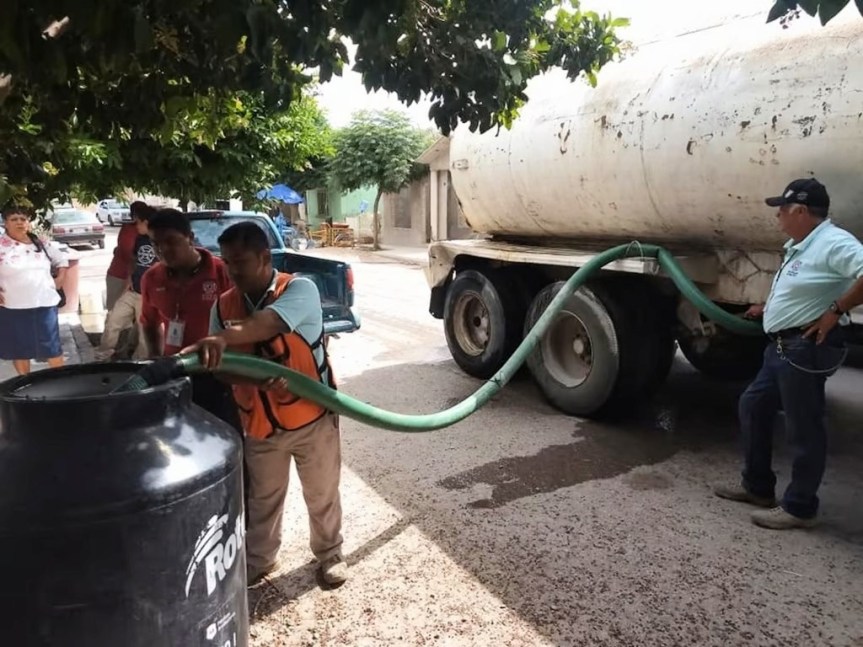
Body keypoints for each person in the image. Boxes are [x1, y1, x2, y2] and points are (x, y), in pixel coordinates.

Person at [181, 221, 347, 587]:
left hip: (311, 418)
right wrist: (253, 378)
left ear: (262, 257)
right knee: (263, 501)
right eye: (226, 262)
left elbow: (266, 325)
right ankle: (259, 560)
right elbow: (221, 371)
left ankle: (330, 554)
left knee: (321, 494)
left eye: (239, 261)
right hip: (259, 424)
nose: (232, 270)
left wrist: (220, 338)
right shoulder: (224, 306)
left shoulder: (300, 289)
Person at [714, 178, 863, 530]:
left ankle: (799, 506)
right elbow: (803, 288)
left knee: (803, 427)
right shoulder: (801, 244)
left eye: (782, 210)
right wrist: (769, 308)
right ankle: (758, 487)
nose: (777, 216)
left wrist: (835, 310)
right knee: (753, 405)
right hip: (781, 346)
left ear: (800, 210)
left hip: (804, 348)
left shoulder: (833, 242)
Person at [139, 208, 241, 431]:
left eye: (171, 241)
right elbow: (149, 322)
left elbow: (241, 321)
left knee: (224, 435)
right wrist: (155, 358)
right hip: (175, 372)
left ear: (190, 238)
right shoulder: (151, 278)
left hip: (217, 371)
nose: (163, 249)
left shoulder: (221, 272)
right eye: (156, 243)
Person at [0, 205, 69, 375]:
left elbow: (62, 261)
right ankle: (26, 386)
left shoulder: (41, 242)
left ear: (28, 222)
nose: (19, 222)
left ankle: (61, 384)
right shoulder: (2, 246)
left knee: (52, 348)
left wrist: (59, 281)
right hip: (12, 306)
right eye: (14, 219)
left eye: (23, 219)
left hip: (44, 304)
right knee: (20, 351)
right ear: (5, 223)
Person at [96, 203, 157, 360]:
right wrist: (130, 279)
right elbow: (133, 260)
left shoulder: (161, 241)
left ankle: (140, 363)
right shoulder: (140, 238)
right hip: (133, 291)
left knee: (144, 333)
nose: (135, 226)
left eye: (138, 223)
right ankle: (103, 355)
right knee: (113, 320)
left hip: (148, 295)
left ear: (146, 222)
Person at [105, 208, 139, 311]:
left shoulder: (149, 235)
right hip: (120, 276)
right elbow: (127, 253)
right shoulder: (129, 230)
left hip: (134, 279)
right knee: (115, 312)